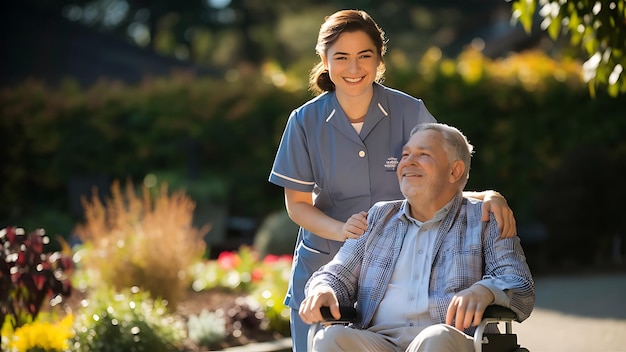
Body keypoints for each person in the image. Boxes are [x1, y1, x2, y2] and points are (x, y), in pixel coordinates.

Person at [268, 9, 517, 351]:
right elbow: (297, 206)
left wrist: (487, 195)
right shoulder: (304, 121)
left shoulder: (409, 111)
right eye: (341, 57)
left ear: (379, 60)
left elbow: (441, 173)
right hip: (325, 264)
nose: (353, 69)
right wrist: (342, 231)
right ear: (324, 61)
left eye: (364, 56)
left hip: (398, 268)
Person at [298, 122, 535, 352]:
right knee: (331, 337)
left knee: (436, 337)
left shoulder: (484, 219)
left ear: (455, 170)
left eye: (423, 155)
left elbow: (520, 286)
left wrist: (485, 290)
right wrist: (323, 289)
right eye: (405, 154)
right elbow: (336, 274)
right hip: (377, 340)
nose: (408, 162)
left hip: (448, 340)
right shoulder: (378, 217)